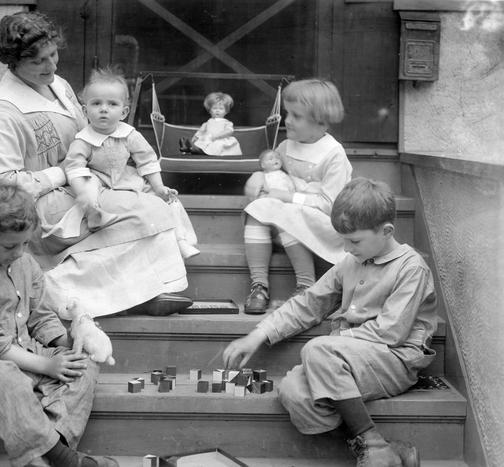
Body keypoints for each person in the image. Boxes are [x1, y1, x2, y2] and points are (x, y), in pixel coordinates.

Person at [0, 11, 192, 318]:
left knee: (158, 201)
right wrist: (61, 171)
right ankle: (57, 292)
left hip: (81, 185)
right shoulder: (2, 113)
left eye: (53, 54)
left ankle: (142, 289)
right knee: (146, 210)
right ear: (13, 62)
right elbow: (0, 185)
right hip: (44, 208)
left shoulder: (58, 85)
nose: (52, 65)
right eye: (39, 61)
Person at [224, 178, 437, 467]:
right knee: (293, 393)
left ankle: (371, 443)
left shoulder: (411, 267)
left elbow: (391, 332)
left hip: (394, 358)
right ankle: (383, 447)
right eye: (343, 241)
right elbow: (310, 302)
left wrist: (332, 344)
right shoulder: (352, 262)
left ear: (386, 231)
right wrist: (258, 335)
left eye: (355, 241)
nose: (347, 249)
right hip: (343, 358)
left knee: (317, 350)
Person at [0, 181, 118, 467]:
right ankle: (65, 460)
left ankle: (51, 450)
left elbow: (40, 316)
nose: (19, 252)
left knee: (83, 363)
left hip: (29, 351)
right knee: (7, 378)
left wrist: (68, 342)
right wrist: (47, 367)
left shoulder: (27, 263)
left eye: (25, 243)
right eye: (10, 245)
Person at [63, 68, 199, 259]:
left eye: (112, 104)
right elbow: (75, 167)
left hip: (125, 177)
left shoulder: (129, 135)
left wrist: (159, 187)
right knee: (87, 185)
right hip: (99, 179)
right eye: (96, 103)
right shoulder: (83, 140)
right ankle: (93, 212)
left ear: (124, 112)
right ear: (85, 111)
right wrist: (83, 189)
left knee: (168, 200)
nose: (104, 109)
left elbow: (147, 160)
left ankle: (181, 240)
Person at [242, 79, 352, 314]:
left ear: (320, 121)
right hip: (291, 220)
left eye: (296, 116)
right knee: (258, 209)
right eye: (287, 113)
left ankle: (305, 286)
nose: (287, 120)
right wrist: (259, 176)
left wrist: (289, 197)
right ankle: (259, 285)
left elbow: (330, 205)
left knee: (285, 211)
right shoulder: (285, 146)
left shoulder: (333, 154)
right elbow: (274, 173)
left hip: (325, 224)